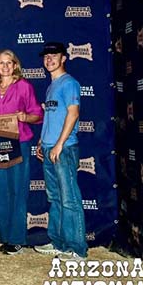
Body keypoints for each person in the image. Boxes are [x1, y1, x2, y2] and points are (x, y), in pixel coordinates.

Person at [0, 49, 43, 255]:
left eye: (9, 63)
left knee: (18, 190)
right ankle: (5, 236)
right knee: (0, 191)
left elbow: (37, 114)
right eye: (1, 63)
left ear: (15, 65)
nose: (5, 66)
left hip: (20, 143)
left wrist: (25, 117)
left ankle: (17, 239)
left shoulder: (24, 86)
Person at [34, 42, 88, 262]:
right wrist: (42, 141)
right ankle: (58, 242)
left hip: (63, 149)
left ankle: (78, 249)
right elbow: (52, 117)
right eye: (46, 57)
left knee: (69, 199)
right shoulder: (51, 86)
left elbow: (73, 114)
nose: (49, 60)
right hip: (49, 148)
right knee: (55, 197)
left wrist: (58, 144)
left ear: (63, 58)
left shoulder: (70, 83)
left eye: (54, 56)